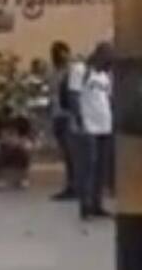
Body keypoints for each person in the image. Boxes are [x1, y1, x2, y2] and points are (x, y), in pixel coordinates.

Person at [73, 42, 113, 220]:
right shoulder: (81, 70)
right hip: (88, 125)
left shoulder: (104, 76)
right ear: (99, 55)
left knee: (101, 168)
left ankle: (97, 204)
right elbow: (73, 95)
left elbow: (107, 99)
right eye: (108, 58)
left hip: (105, 125)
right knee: (88, 166)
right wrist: (79, 119)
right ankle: (86, 206)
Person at [48, 41, 79, 201]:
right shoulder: (53, 72)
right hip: (57, 115)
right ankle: (71, 185)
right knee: (66, 154)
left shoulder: (72, 71)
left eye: (62, 53)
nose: (60, 56)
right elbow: (52, 95)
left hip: (68, 116)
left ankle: (75, 186)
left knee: (72, 153)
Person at [0, 104, 33, 189]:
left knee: (26, 148)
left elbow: (26, 136)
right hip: (3, 144)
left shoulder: (21, 121)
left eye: (10, 115)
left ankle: (23, 178)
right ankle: (0, 179)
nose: (8, 118)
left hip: (18, 143)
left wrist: (19, 142)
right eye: (6, 115)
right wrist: (1, 142)